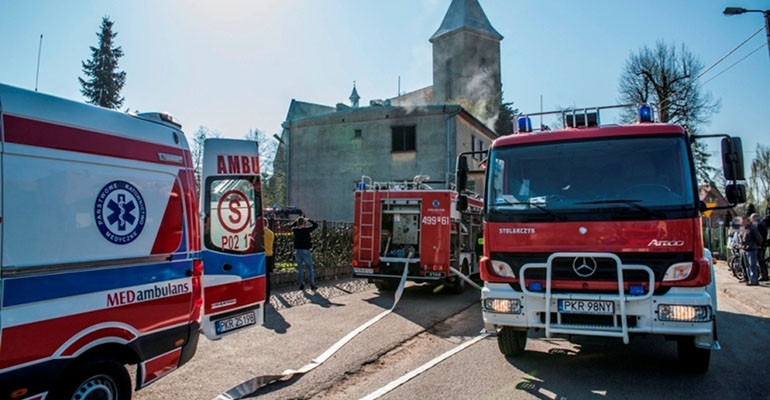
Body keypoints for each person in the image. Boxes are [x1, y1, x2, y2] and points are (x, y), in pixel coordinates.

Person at [291, 216, 318, 291]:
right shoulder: (306, 230)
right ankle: (312, 285)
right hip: (305, 251)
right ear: (304, 223)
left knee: (300, 269)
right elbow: (316, 225)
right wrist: (309, 219)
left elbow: (291, 226)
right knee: (310, 268)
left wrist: (296, 221)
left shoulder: (295, 230)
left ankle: (301, 284)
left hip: (297, 251)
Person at [738, 213, 764, 286]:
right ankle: (750, 280)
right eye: (741, 222)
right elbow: (740, 238)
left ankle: (754, 281)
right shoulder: (742, 229)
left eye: (743, 221)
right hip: (744, 249)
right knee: (747, 266)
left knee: (752, 265)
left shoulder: (752, 228)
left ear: (747, 221)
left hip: (751, 249)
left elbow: (759, 238)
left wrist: (757, 245)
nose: (742, 223)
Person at [263, 219, 275, 301]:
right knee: (267, 278)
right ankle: (267, 297)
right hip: (269, 255)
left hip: (261, 257)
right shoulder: (271, 233)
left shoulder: (260, 233)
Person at [758, 215, 769, 282]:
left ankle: (763, 276)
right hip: (763, 244)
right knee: (762, 261)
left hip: (760, 245)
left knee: (760, 260)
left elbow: (760, 236)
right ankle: (765, 275)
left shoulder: (760, 225)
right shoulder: (764, 226)